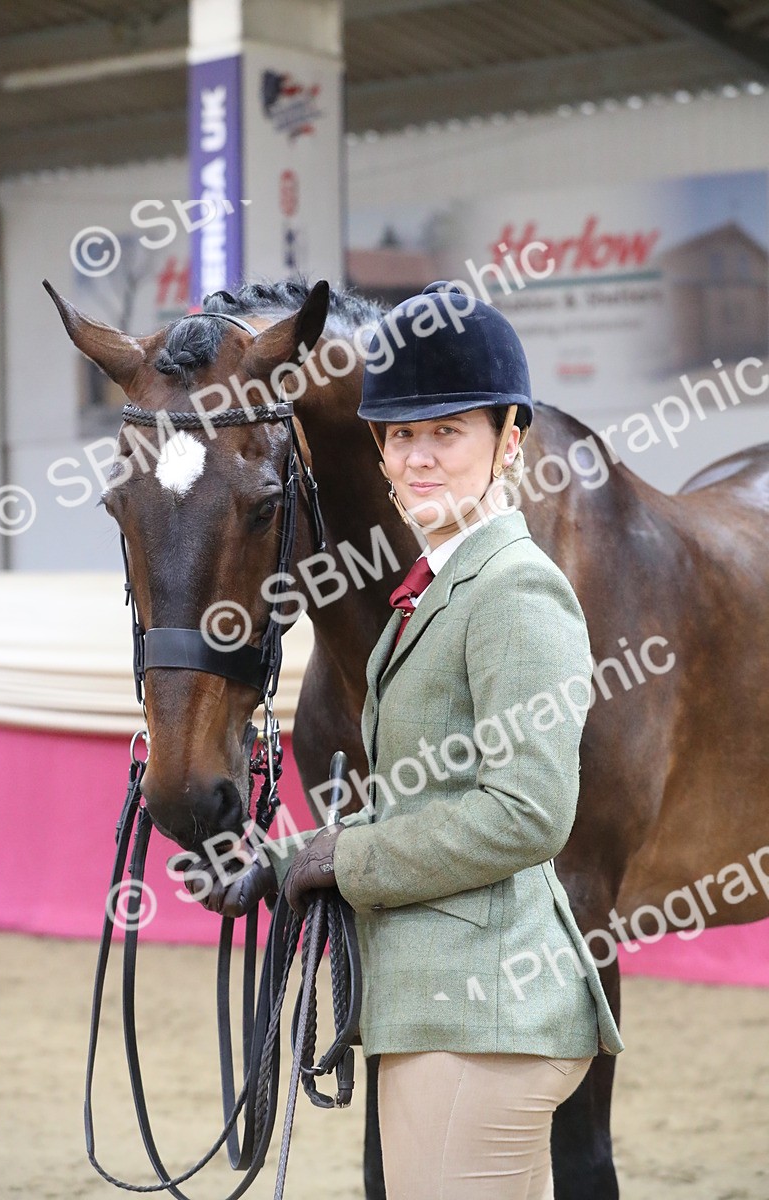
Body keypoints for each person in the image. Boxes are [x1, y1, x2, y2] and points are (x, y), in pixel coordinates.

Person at [190, 282, 624, 1199]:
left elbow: (526, 815)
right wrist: (285, 859)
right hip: (432, 1010)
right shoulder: (435, 592)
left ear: (511, 441)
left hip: (483, 1017)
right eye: (397, 436)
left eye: (445, 433)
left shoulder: (517, 591)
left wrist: (343, 857)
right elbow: (420, 802)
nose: (415, 459)